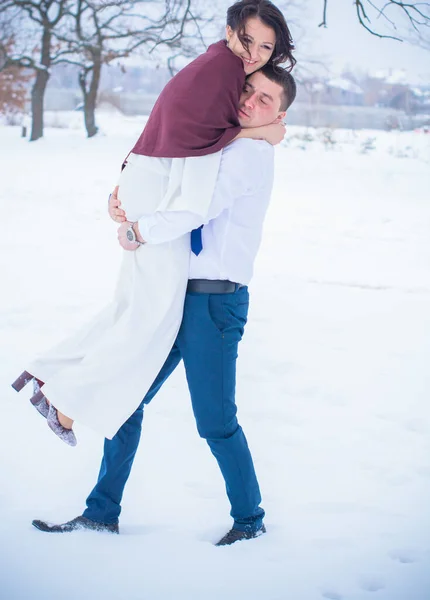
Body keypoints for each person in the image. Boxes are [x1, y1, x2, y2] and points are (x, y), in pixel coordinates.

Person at [31, 64, 297, 546]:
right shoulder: (218, 140)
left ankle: (250, 519)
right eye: (249, 90)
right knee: (127, 398)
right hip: (174, 292)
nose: (252, 101)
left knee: (215, 423)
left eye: (266, 100)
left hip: (215, 303)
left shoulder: (249, 154)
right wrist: (121, 201)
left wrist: (138, 231)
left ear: (280, 116)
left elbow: (194, 209)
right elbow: (165, 182)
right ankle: (101, 512)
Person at [12, 0, 296, 446]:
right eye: (247, 39)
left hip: (146, 179)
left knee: (133, 307)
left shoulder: (213, 64)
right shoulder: (223, 71)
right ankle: (61, 399)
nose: (254, 52)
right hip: (153, 191)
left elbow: (177, 128)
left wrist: (124, 186)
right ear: (228, 31)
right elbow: (205, 141)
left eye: (265, 46)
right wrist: (261, 131)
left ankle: (49, 376)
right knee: (150, 317)